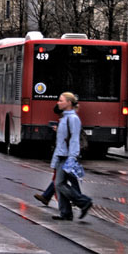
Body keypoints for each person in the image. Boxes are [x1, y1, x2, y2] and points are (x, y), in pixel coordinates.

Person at [50, 92, 93, 220]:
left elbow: (74, 139)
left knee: (59, 184)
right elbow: (61, 141)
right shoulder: (63, 118)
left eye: (61, 100)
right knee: (59, 183)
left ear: (68, 103)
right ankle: (65, 213)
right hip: (61, 155)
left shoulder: (73, 119)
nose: (58, 102)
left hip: (67, 156)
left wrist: (72, 157)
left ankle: (83, 202)